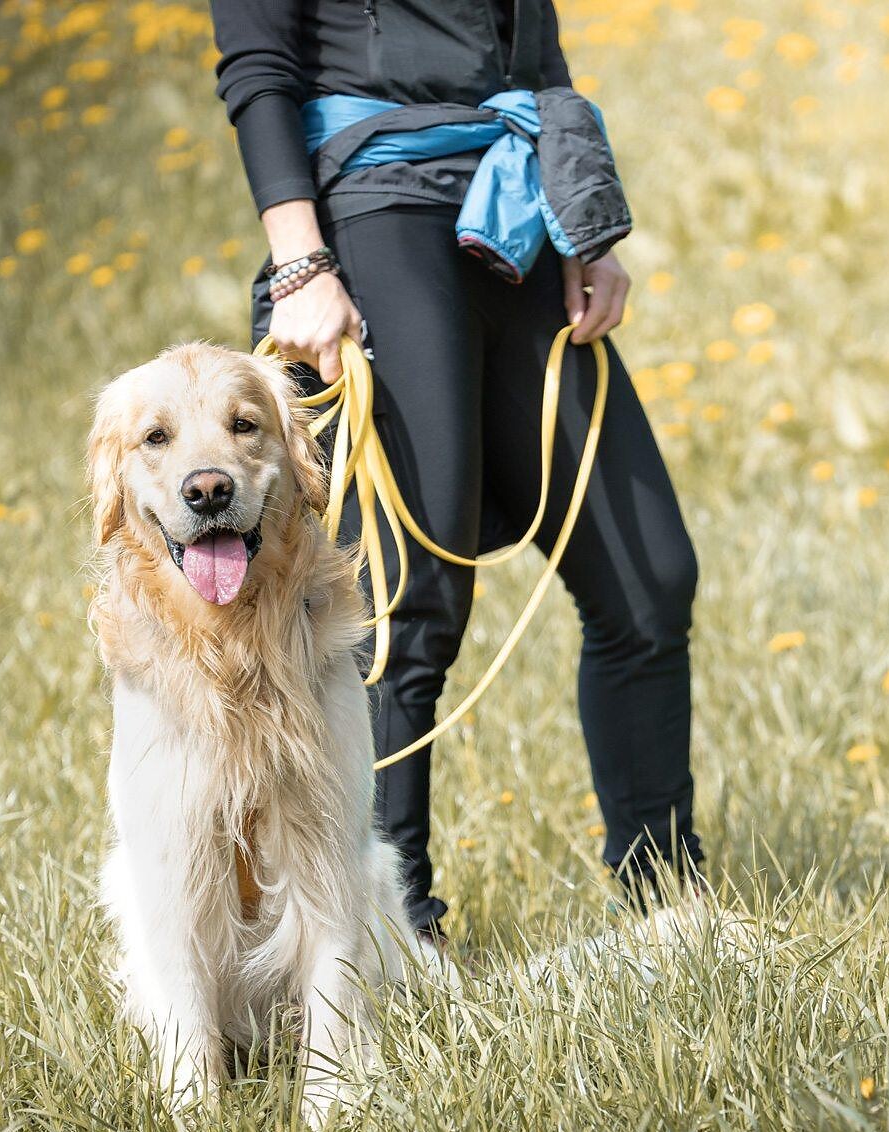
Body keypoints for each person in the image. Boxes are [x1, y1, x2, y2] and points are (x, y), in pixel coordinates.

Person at [210, 0, 704, 943]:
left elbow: (534, 47)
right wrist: (300, 263)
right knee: (404, 609)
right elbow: (257, 66)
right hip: (372, 214)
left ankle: (665, 906)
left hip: (511, 213)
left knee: (649, 578)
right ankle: (394, 937)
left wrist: (583, 230)